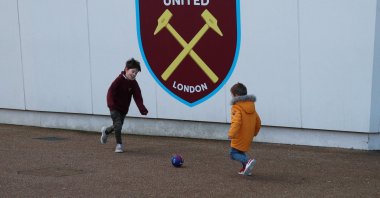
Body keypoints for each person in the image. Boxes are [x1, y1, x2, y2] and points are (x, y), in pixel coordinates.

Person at [100, 58, 148, 153]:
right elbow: (110, 92)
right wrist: (110, 104)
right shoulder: (119, 80)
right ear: (126, 69)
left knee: (118, 126)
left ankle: (105, 132)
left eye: (136, 73)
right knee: (118, 125)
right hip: (114, 107)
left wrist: (142, 108)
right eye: (133, 71)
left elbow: (138, 96)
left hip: (124, 109)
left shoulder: (134, 84)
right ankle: (119, 145)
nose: (134, 74)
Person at [228, 82, 261, 176]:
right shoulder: (251, 106)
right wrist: (255, 132)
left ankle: (247, 161)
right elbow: (258, 121)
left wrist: (231, 133)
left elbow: (236, 122)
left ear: (236, 95)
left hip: (239, 135)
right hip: (248, 135)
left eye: (232, 95)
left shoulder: (236, 107)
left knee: (233, 154)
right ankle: (246, 168)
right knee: (241, 152)